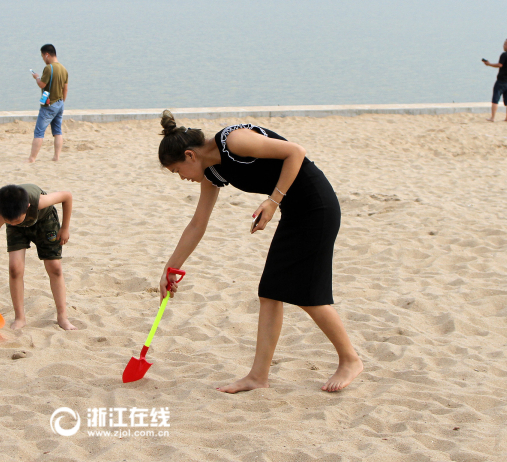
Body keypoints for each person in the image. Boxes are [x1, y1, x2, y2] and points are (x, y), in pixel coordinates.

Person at [155, 110, 362, 393]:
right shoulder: (212, 171)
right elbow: (197, 223)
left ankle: (350, 359)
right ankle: (258, 377)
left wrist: (273, 201)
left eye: (177, 171)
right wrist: (170, 268)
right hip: (295, 210)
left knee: (306, 294)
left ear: (190, 156)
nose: (181, 178)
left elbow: (296, 152)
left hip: (317, 206)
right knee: (271, 291)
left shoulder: (233, 140)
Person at [0, 184, 76, 330]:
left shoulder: (40, 201)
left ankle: (62, 317)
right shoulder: (5, 216)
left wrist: (65, 228)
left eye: (14, 221)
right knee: (15, 269)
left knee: (55, 268)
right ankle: (20, 317)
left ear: (28, 206)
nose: (11, 223)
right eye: (7, 221)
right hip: (18, 230)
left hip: (44, 221)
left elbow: (67, 196)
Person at [28, 44, 69, 163]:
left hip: (49, 104)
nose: (43, 59)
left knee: (39, 131)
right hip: (60, 102)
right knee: (57, 131)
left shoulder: (49, 68)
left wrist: (36, 77)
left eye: (42, 57)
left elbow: (42, 84)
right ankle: (56, 157)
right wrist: (62, 102)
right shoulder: (63, 69)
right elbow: (65, 89)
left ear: (47, 55)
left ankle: (32, 158)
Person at [482, 38, 507, 122]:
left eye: (505, 44)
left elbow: (500, 65)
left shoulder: (504, 55)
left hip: (501, 80)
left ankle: (492, 117)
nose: (503, 46)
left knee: (495, 98)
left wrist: (489, 64)